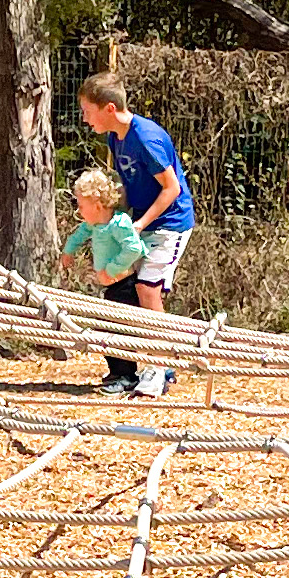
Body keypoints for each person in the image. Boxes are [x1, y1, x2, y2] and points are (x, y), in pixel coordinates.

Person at [75, 76, 195, 398]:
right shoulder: (116, 137)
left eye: (88, 111)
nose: (85, 118)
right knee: (130, 290)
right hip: (141, 222)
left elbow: (172, 189)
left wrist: (140, 224)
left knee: (147, 290)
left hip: (169, 224)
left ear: (109, 108)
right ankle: (150, 366)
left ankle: (158, 370)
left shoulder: (146, 139)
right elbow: (128, 184)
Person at [61, 164, 148, 393]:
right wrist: (68, 251)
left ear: (97, 205)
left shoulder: (118, 224)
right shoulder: (96, 224)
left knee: (121, 333)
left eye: (81, 206)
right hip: (110, 289)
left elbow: (134, 248)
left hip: (124, 286)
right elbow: (80, 233)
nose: (79, 211)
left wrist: (111, 269)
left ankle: (127, 375)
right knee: (105, 331)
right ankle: (116, 372)